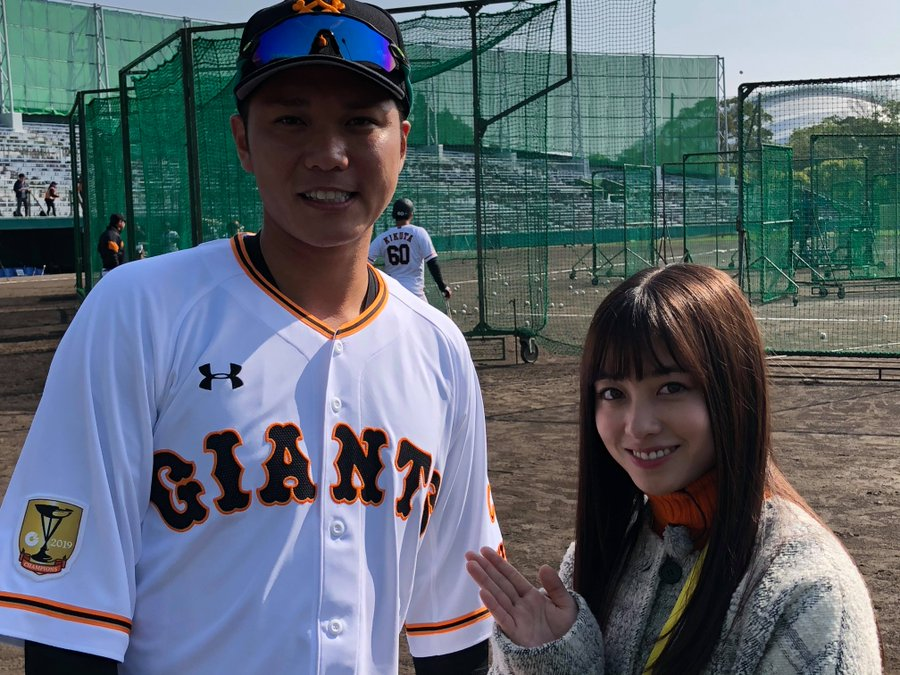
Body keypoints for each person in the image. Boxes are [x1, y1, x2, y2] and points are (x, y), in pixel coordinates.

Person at [0, 1, 502, 674]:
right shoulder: (139, 311)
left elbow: (455, 633)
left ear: (402, 142)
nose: (329, 154)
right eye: (291, 120)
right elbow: (67, 631)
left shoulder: (438, 348)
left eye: (361, 121)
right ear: (242, 141)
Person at [466, 263, 882, 674]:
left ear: (734, 389)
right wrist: (544, 660)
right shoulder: (597, 555)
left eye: (671, 388)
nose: (637, 426)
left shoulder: (808, 592)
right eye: (612, 393)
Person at [368, 197, 452, 303]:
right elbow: (432, 262)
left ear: (393, 215)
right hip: (415, 294)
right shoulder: (419, 232)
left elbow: (365, 263)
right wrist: (442, 286)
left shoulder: (382, 237)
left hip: (392, 295)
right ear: (411, 214)